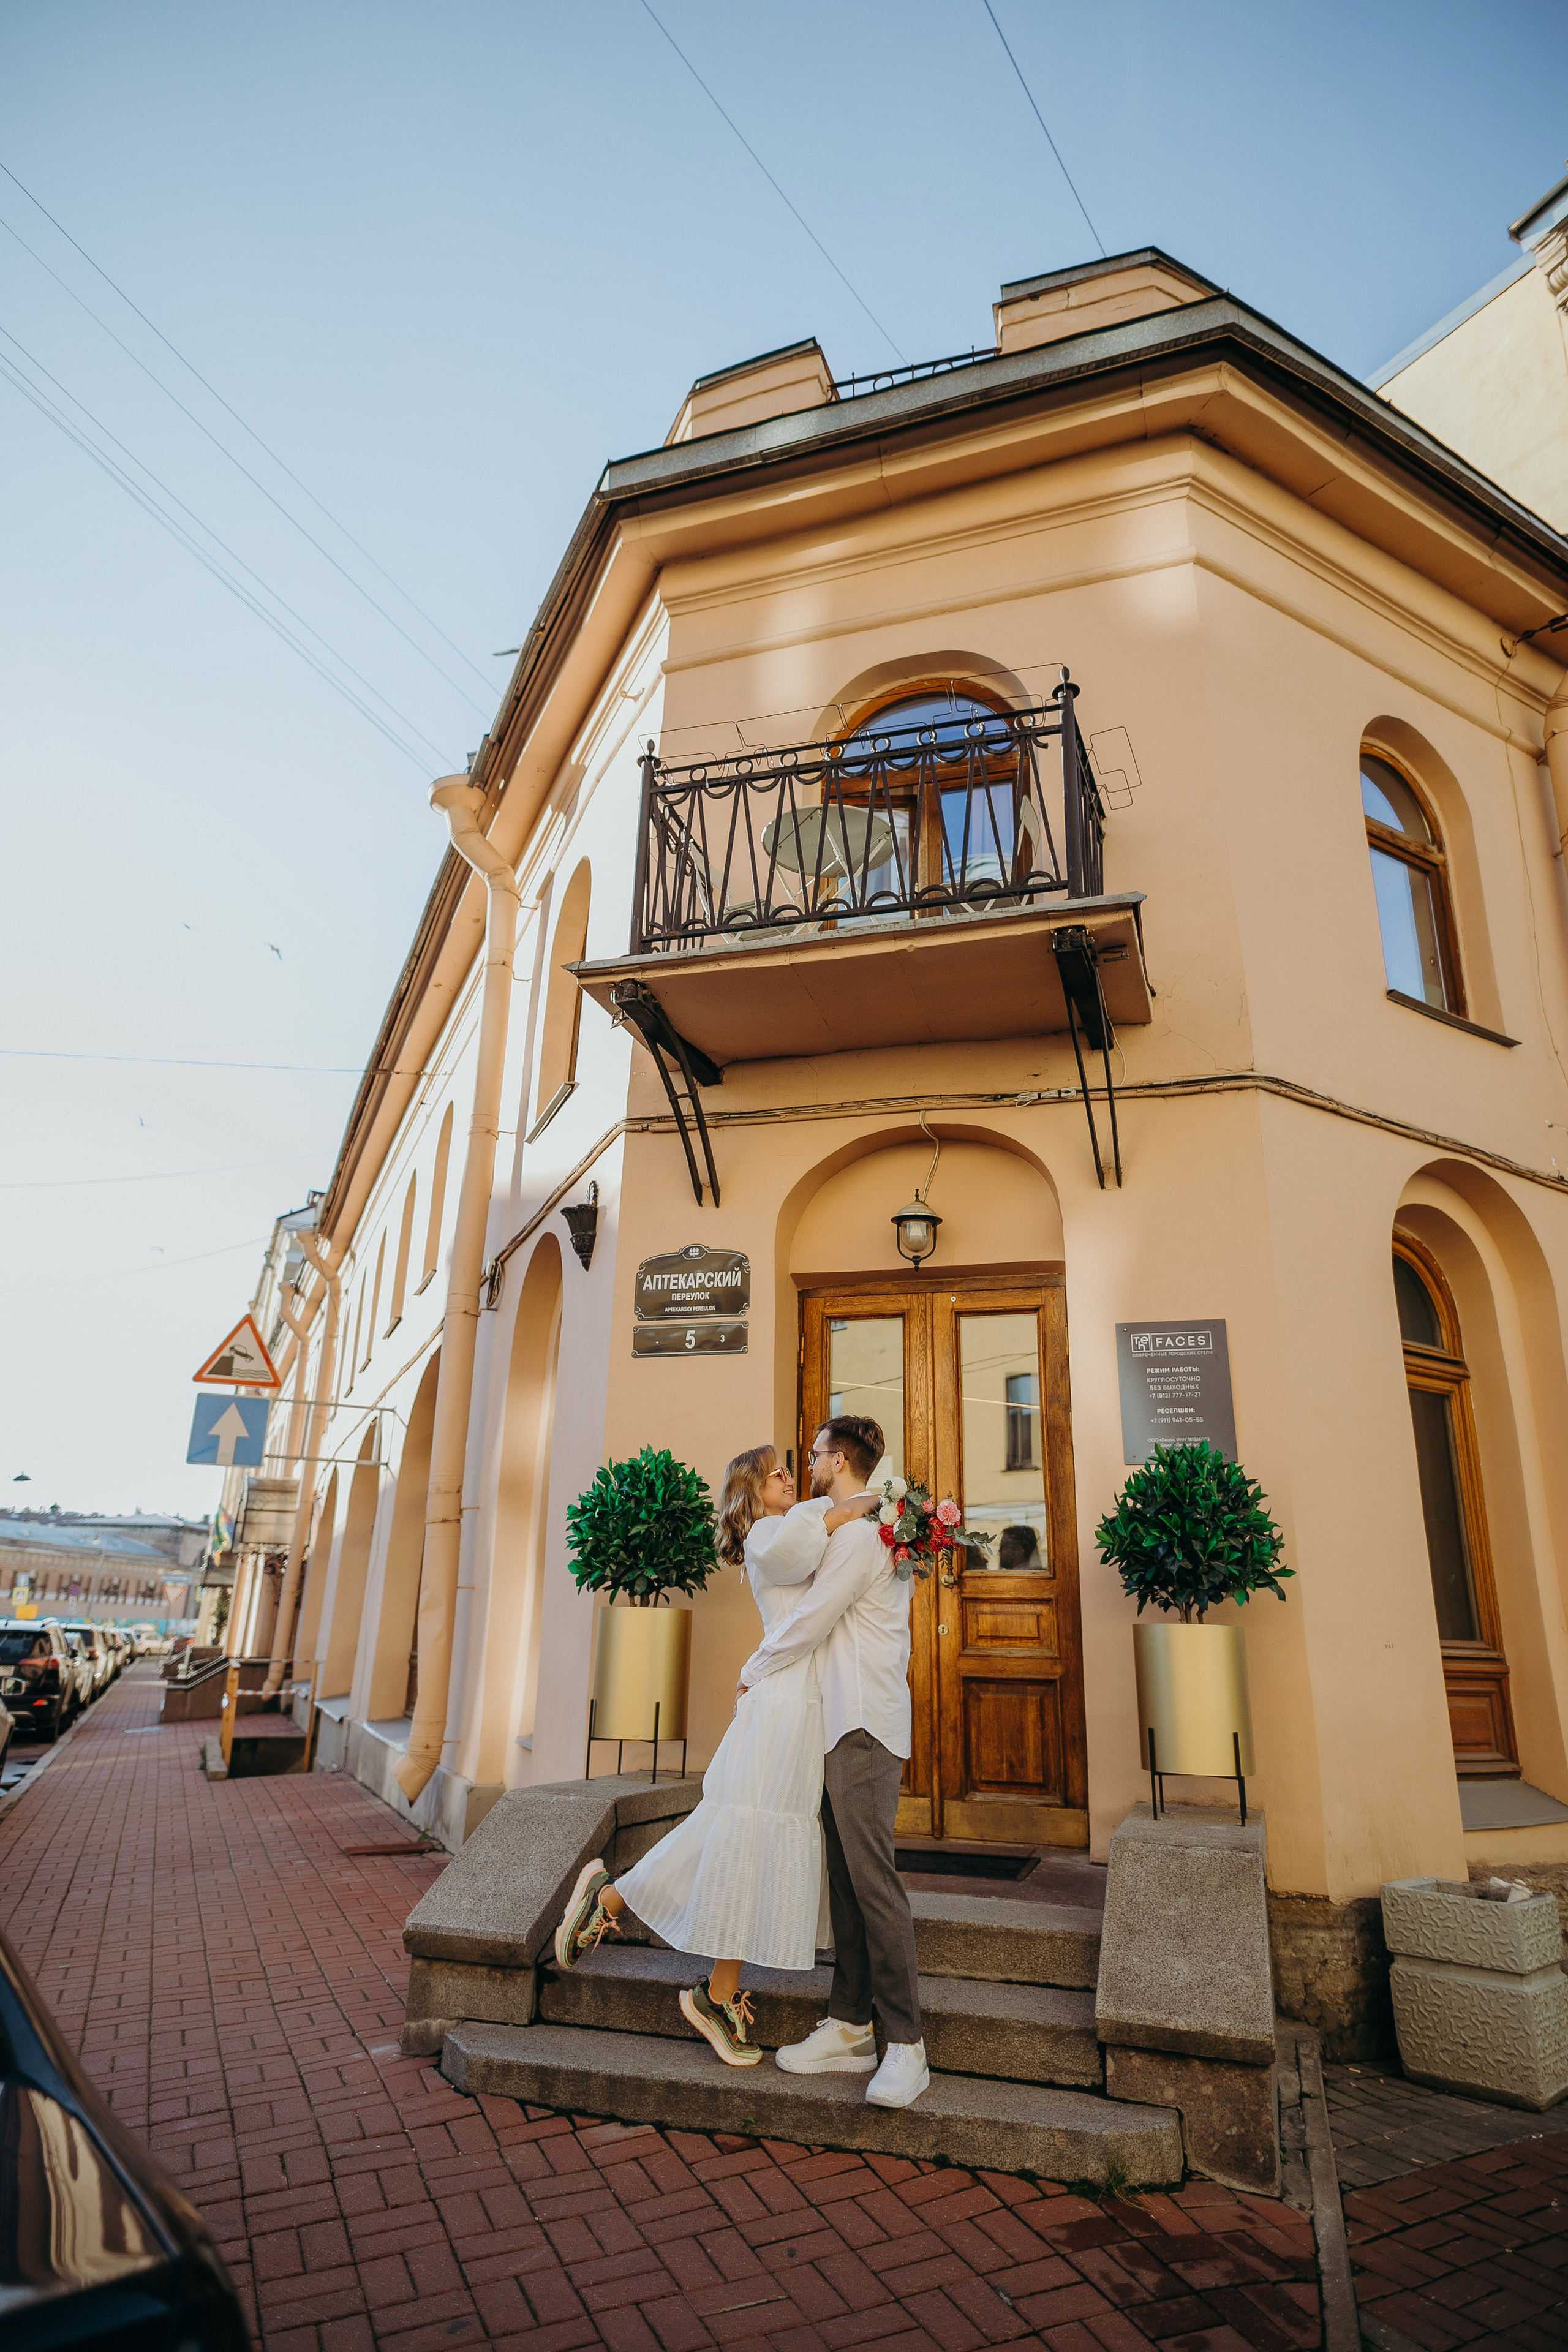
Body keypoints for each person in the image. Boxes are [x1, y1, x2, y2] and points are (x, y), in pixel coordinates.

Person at [551, 1444, 878, 2067]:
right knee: (742, 1837)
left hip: (802, 1705)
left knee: (751, 1847)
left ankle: (714, 1990)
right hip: (780, 1703)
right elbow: (813, 1543)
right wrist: (856, 1506)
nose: (789, 1479)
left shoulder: (789, 1524)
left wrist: (865, 1504)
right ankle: (616, 1905)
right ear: (752, 1492)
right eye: (776, 1474)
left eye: (790, 1470)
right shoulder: (767, 1538)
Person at [741, 1414, 930, 2111]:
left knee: (872, 1880)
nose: (808, 1464)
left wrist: (755, 1667)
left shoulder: (856, 1538)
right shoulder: (857, 1523)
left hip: (862, 1722)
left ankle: (906, 2044)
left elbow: (814, 1617)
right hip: (836, 1721)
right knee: (847, 1883)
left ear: (838, 1458)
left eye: (815, 1455)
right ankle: (850, 2026)